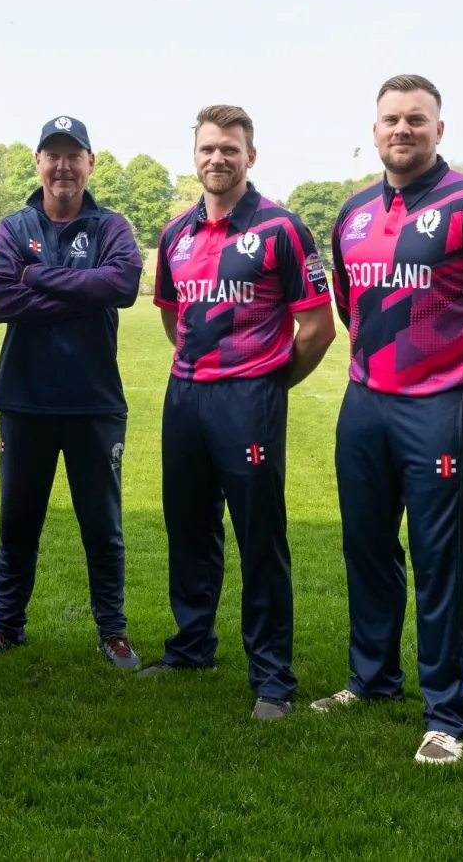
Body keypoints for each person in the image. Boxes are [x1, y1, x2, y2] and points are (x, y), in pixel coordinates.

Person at [308, 75, 463, 765]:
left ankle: (447, 712)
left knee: (441, 559)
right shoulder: (349, 213)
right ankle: (372, 679)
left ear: (439, 129)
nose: (401, 130)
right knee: (367, 546)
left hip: (441, 407)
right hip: (365, 403)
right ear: (374, 130)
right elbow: (352, 305)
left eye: (416, 119)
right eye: (390, 119)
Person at [137, 104, 336, 719]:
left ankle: (272, 676)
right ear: (194, 157)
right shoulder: (177, 234)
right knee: (190, 527)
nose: (217, 159)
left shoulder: (282, 229)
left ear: (250, 156)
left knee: (258, 536)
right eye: (207, 149)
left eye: (229, 149)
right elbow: (174, 316)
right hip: (187, 394)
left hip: (250, 397)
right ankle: (192, 645)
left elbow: (318, 328)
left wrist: (270, 384)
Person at [0, 115, 144, 669]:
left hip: (95, 402)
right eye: (54, 154)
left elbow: (122, 285)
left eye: (75, 154)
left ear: (91, 163)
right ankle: (6, 627)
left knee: (103, 526)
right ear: (38, 162)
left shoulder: (112, 225)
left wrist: (38, 277)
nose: (64, 165)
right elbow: (2, 301)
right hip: (25, 400)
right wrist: (84, 292)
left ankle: (113, 631)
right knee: (17, 522)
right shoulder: (14, 227)